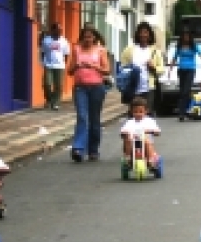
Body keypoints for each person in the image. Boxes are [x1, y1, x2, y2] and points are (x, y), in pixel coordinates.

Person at [67, 27, 111, 162]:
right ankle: (78, 149)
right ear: (82, 37)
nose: (87, 39)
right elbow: (69, 71)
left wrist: (95, 66)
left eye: (90, 37)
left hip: (97, 88)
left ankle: (93, 149)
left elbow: (107, 70)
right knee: (82, 116)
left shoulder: (101, 50)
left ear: (94, 38)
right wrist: (77, 66)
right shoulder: (76, 49)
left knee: (94, 119)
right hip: (80, 88)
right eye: (85, 37)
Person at [120, 22, 165, 117]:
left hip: (149, 89)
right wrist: (132, 71)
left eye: (146, 32)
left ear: (150, 35)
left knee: (147, 116)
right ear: (137, 34)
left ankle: (148, 131)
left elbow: (161, 69)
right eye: (141, 32)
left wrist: (154, 67)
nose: (143, 35)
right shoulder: (129, 50)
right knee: (133, 116)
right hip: (133, 89)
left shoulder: (155, 51)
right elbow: (122, 68)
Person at [169, 28, 201, 122]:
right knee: (182, 91)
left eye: (187, 35)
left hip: (190, 70)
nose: (186, 37)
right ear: (182, 37)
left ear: (190, 37)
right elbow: (175, 57)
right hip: (181, 70)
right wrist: (170, 69)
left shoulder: (194, 45)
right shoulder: (179, 46)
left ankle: (182, 112)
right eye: (184, 35)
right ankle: (183, 112)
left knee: (186, 91)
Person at [121, 97, 161, 167]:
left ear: (146, 111)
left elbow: (157, 131)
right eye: (135, 112)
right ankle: (127, 157)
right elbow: (123, 131)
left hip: (146, 144)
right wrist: (125, 133)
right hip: (134, 143)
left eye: (140, 112)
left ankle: (150, 159)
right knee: (128, 140)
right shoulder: (130, 122)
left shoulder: (150, 121)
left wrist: (152, 131)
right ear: (132, 112)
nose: (138, 114)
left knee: (146, 141)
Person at [40, 22, 70, 110]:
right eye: (58, 30)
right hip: (48, 65)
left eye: (61, 30)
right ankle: (49, 100)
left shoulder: (64, 41)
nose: (60, 31)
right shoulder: (46, 40)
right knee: (47, 84)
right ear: (52, 30)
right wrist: (43, 62)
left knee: (59, 86)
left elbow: (66, 54)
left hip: (60, 66)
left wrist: (64, 63)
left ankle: (55, 102)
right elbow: (42, 52)